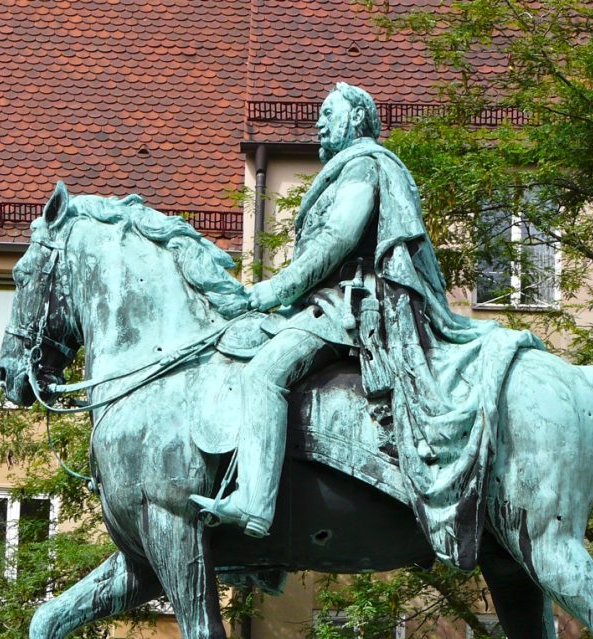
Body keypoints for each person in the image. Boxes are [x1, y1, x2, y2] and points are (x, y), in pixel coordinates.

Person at [191, 83, 539, 568]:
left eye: (328, 113)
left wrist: (272, 290)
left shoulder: (364, 164)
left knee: (263, 376)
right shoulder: (344, 169)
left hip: (347, 311)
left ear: (356, 119)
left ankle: (253, 503)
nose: (318, 122)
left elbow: (338, 238)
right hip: (326, 305)